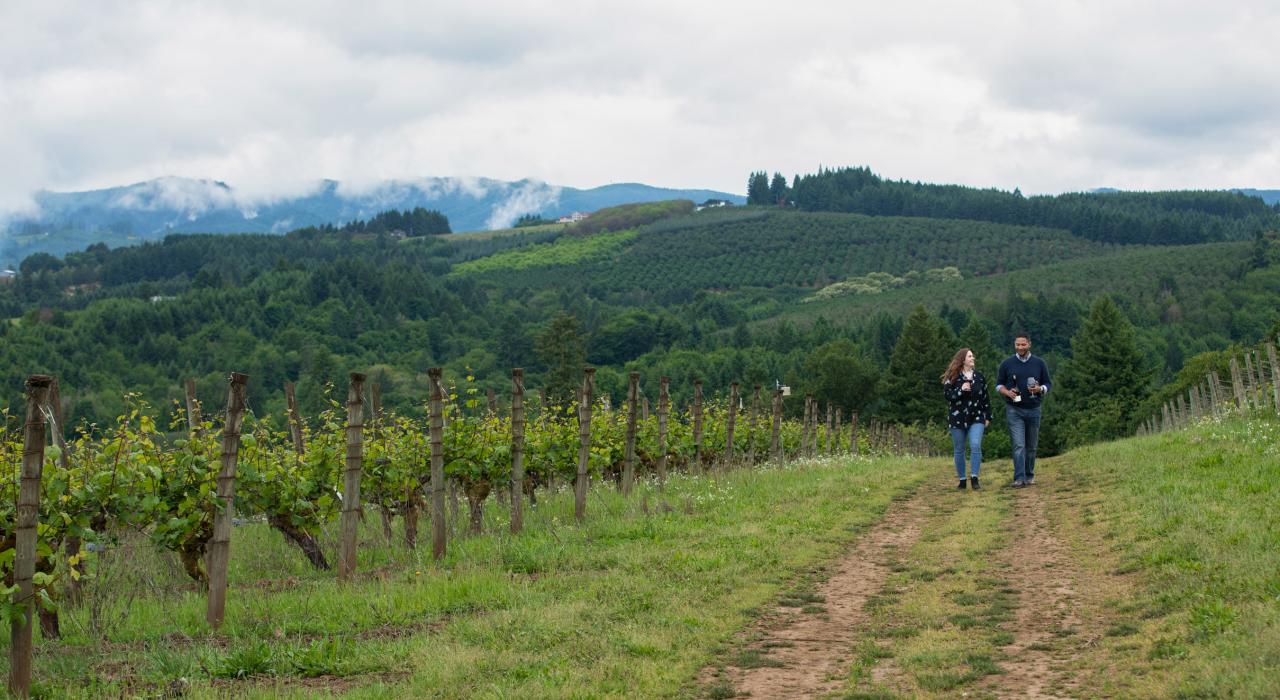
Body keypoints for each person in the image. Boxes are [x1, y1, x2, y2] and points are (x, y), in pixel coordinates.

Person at [995, 333, 1051, 488]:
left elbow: (1048, 383)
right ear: (1014, 345)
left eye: (1023, 344)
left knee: (1031, 446)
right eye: (1017, 345)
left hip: (1034, 408)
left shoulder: (1039, 363)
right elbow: (998, 385)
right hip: (1014, 410)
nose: (1020, 347)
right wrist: (1007, 393)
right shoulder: (1007, 364)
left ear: (1029, 344)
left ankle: (1029, 475)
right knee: (1019, 445)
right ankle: (1019, 478)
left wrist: (1040, 389)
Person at [941, 348, 991, 490]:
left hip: (977, 417)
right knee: (959, 449)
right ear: (963, 360)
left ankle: (974, 477)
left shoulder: (979, 377)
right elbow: (948, 396)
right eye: (970, 356)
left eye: (973, 356)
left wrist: (988, 415)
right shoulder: (952, 377)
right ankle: (962, 480)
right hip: (957, 418)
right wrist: (960, 390)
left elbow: (985, 397)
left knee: (975, 445)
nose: (973, 358)